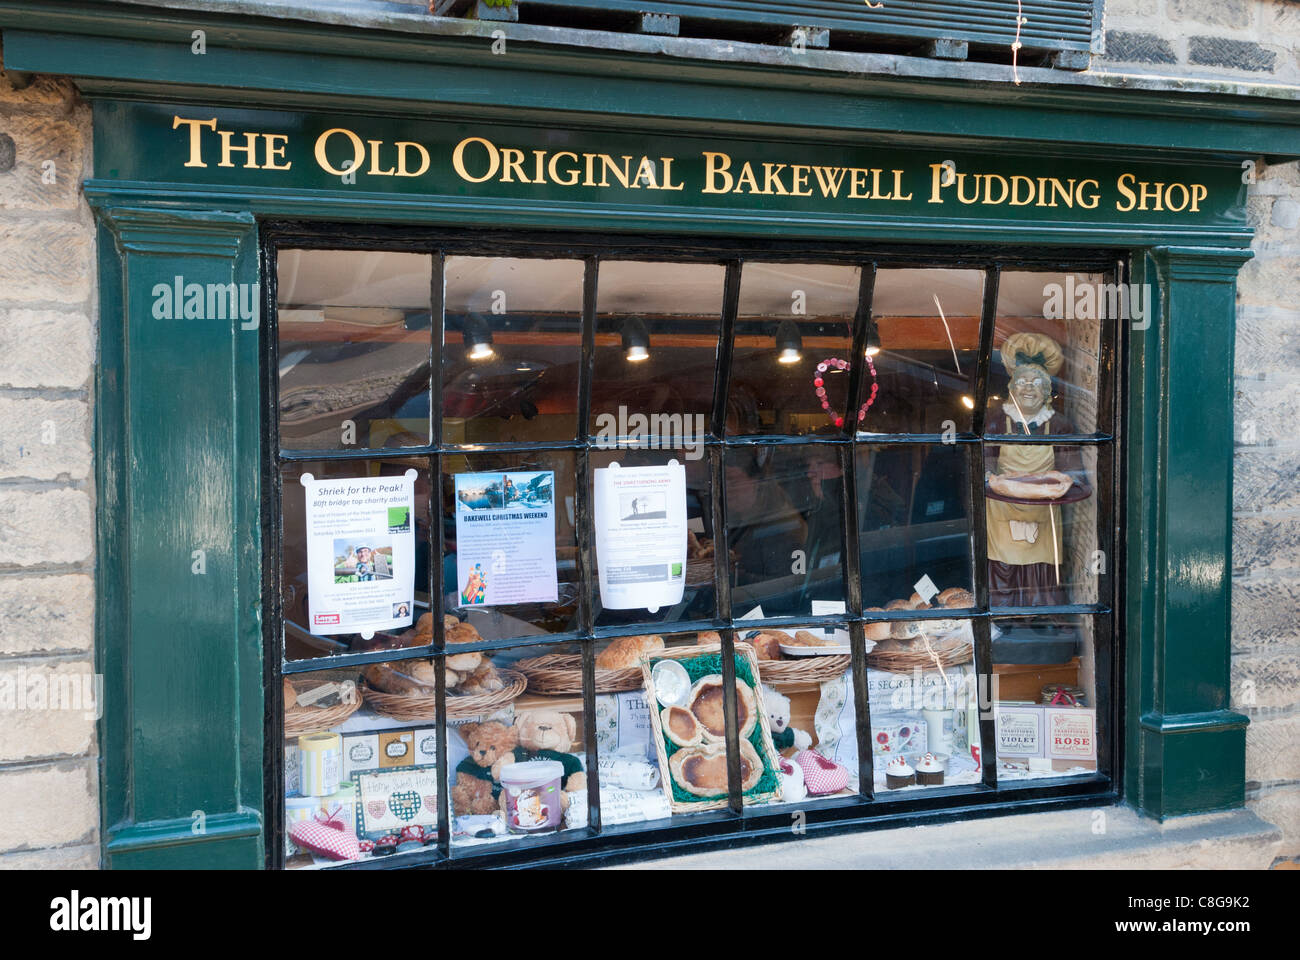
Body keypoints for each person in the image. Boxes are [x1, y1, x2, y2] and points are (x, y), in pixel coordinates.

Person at [984, 332, 1087, 607]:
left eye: (1036, 383)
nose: (1029, 388)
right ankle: (1005, 613)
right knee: (1004, 560)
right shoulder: (995, 422)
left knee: (1043, 564)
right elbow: (986, 462)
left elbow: (1071, 469)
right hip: (1001, 505)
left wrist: (1073, 483)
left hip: (1044, 504)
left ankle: (1042, 612)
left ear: (1046, 390)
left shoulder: (1059, 425)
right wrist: (988, 478)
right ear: (1012, 388)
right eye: (1023, 382)